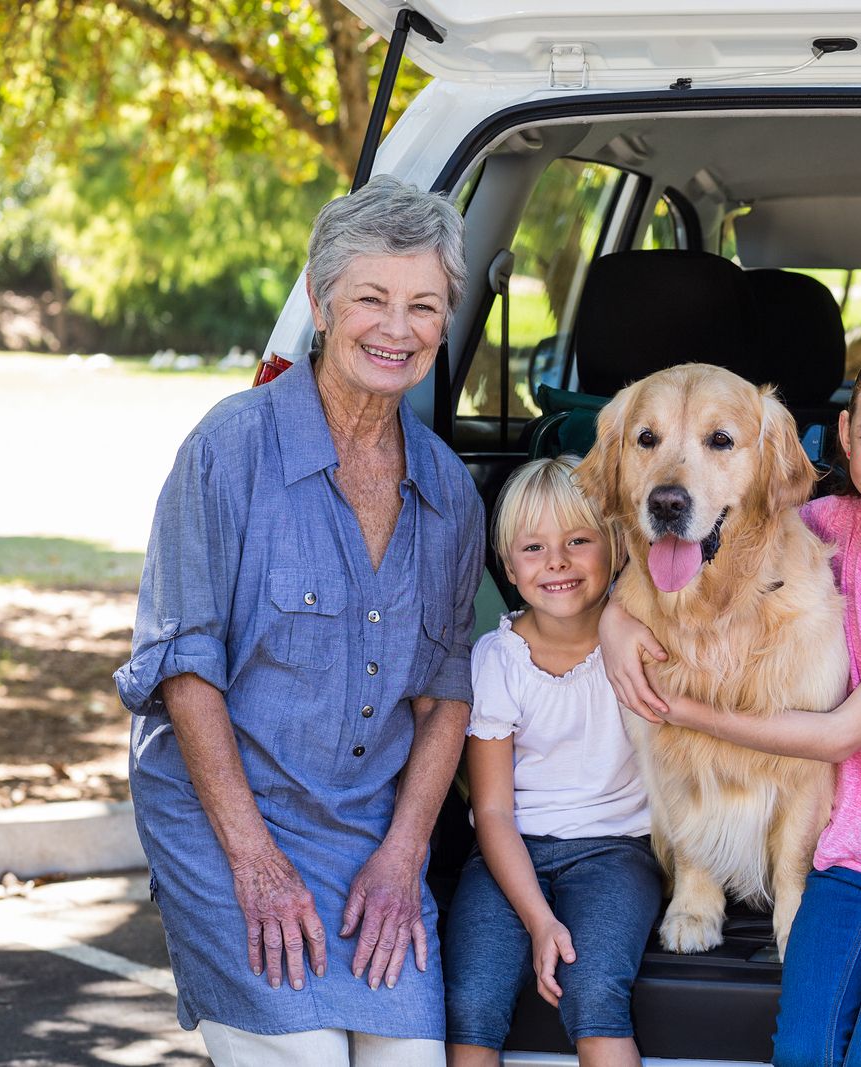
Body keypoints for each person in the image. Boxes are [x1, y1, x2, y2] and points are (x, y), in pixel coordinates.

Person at [114, 175, 483, 1066]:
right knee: (305, 1054)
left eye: (423, 306)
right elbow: (185, 672)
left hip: (369, 838)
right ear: (320, 303)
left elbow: (445, 697)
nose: (397, 329)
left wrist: (402, 859)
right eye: (371, 298)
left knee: (409, 1060)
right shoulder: (228, 449)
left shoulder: (448, 491)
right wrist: (255, 863)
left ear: (445, 324)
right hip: (226, 815)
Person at [602, 339, 861, 1067]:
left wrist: (677, 709)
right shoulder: (834, 525)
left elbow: (838, 733)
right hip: (842, 848)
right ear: (844, 438)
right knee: (805, 1053)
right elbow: (738, 548)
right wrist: (614, 618)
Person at [444, 455, 661, 1067]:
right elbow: (491, 810)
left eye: (578, 541)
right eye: (533, 548)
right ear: (509, 568)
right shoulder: (497, 660)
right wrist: (540, 922)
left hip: (616, 850)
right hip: (510, 852)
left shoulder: (642, 642)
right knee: (470, 1003)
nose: (558, 562)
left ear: (617, 548)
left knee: (594, 995)